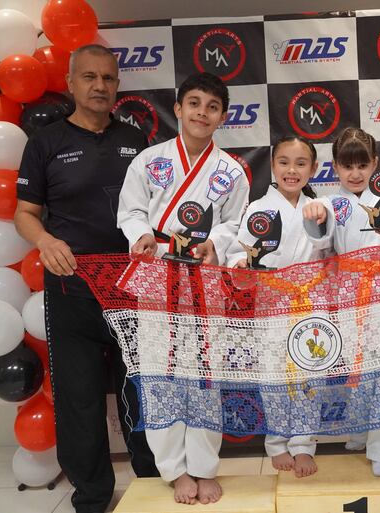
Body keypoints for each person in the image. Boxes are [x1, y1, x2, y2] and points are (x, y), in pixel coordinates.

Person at [14, 44, 159, 513]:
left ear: (118, 84)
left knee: (138, 390)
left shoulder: (138, 141)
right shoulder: (45, 143)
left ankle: (151, 484)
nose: (100, 86)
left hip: (133, 286)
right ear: (72, 82)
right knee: (77, 400)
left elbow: (159, 211)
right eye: (90, 78)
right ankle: (93, 497)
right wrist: (45, 242)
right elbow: (25, 213)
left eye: (109, 78)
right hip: (71, 287)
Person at [117, 72, 250, 505]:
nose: (202, 113)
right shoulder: (150, 160)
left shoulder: (230, 171)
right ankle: (174, 471)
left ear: (222, 117)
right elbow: (131, 210)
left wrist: (216, 243)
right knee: (160, 373)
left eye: (212, 107)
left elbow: (235, 222)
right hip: (157, 275)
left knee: (205, 375)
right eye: (194, 103)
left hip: (204, 279)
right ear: (177, 109)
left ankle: (204, 466)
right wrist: (139, 234)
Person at [301, 127, 380, 455]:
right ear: (334, 167)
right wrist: (315, 216)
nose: (355, 173)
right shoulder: (327, 202)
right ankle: (363, 431)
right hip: (350, 293)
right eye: (347, 166)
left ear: (375, 163)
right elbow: (320, 241)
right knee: (359, 367)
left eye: (362, 165)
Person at [226, 136, 329, 478]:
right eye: (284, 162)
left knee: (309, 375)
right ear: (272, 166)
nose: (291, 170)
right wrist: (241, 262)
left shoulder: (320, 207)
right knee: (273, 375)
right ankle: (277, 443)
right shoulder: (258, 208)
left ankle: (303, 445)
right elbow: (238, 252)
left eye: (301, 164)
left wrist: (322, 222)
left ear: (314, 169)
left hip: (309, 301)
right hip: (270, 301)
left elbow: (329, 251)